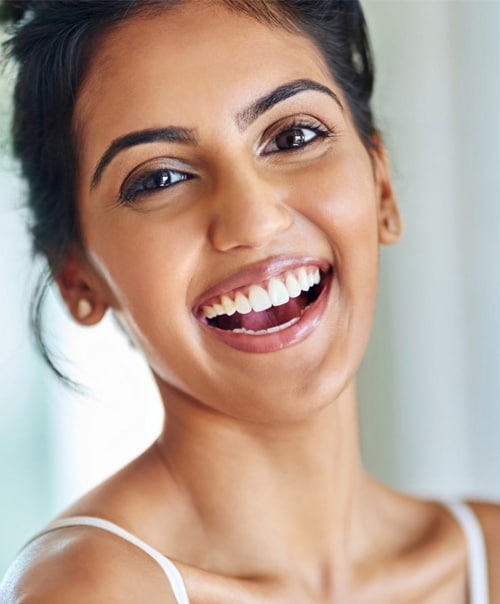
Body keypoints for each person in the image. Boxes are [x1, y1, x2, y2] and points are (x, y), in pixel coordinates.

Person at [0, 0, 499, 602]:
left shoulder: (488, 560)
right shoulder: (89, 591)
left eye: (294, 136)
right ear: (77, 278)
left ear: (382, 186)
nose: (253, 221)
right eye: (159, 178)